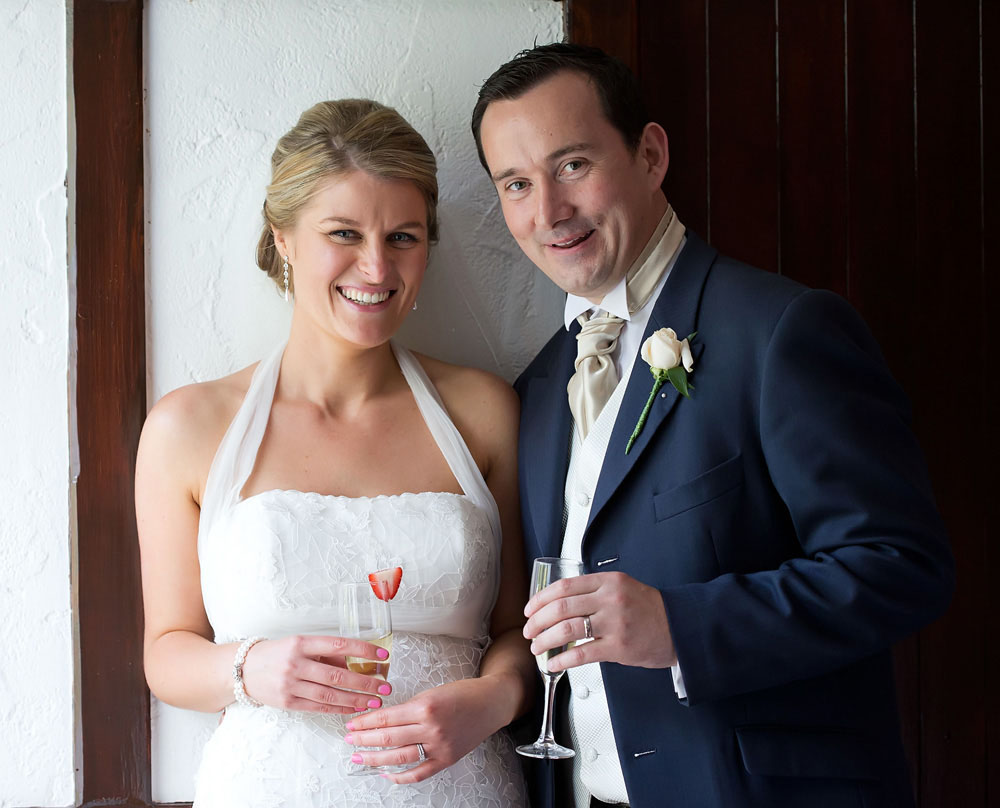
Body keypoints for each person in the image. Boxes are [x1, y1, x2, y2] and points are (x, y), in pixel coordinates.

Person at [471, 43, 954, 808]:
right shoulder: (535, 389)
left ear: (651, 155)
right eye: (517, 184)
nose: (548, 212)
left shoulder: (783, 331)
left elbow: (903, 566)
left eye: (573, 166)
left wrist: (680, 625)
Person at [135, 98, 532, 807]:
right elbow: (166, 651)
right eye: (344, 233)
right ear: (283, 238)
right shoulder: (188, 427)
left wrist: (496, 698)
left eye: (404, 237)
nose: (376, 267)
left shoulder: (484, 412)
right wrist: (250, 670)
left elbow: (517, 627)